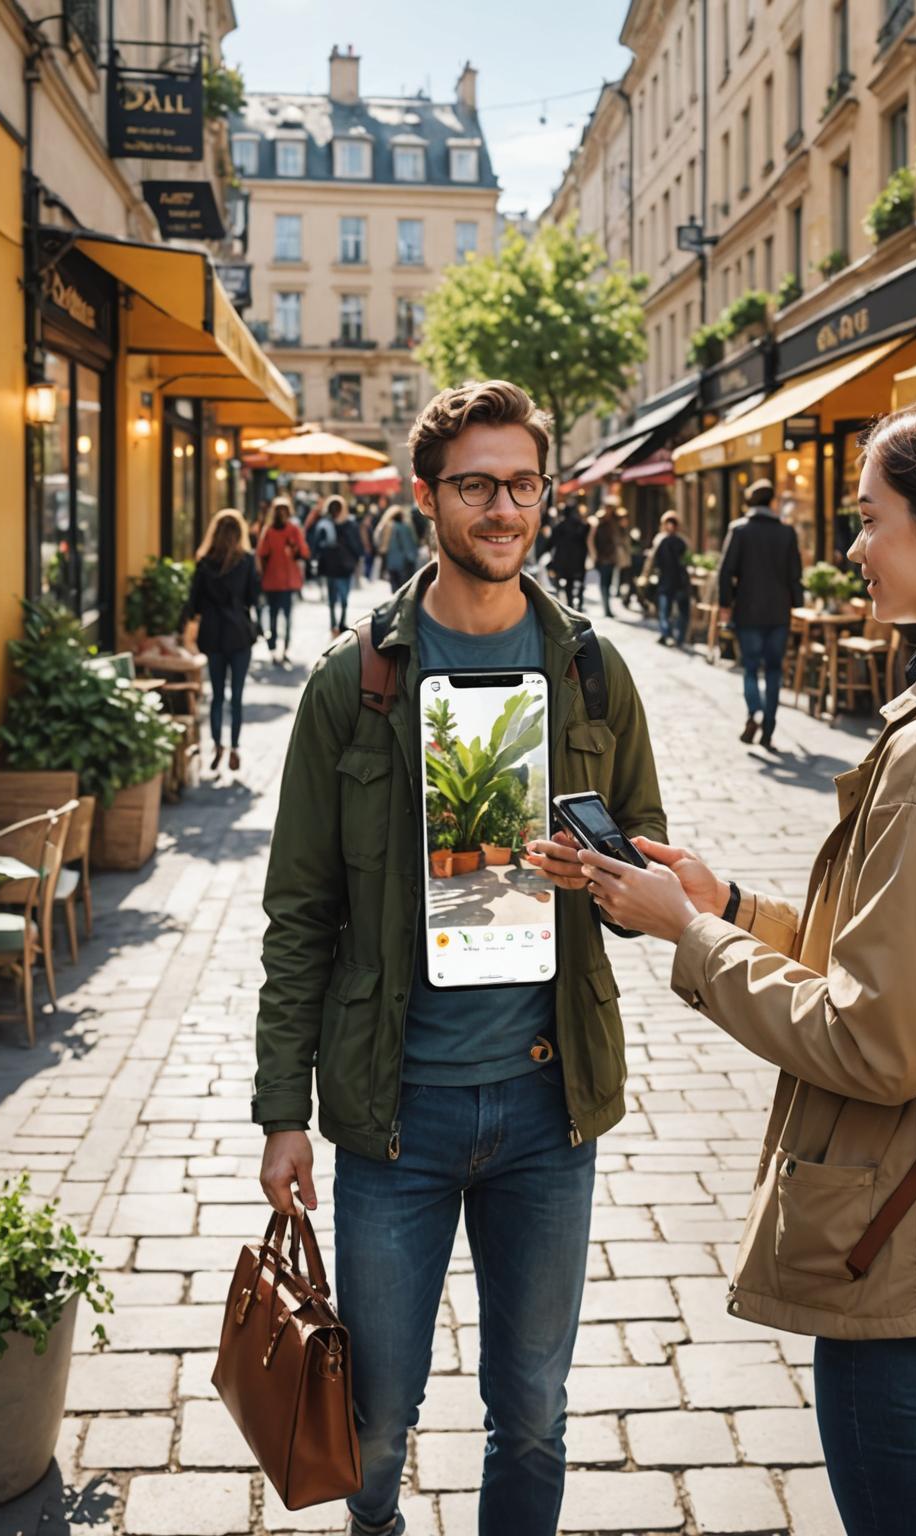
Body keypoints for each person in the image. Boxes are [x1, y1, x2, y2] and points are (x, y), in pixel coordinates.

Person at [576, 393, 916, 1536]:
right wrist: (729, 904)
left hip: (906, 1253)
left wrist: (691, 935)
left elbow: (881, 1040)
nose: (852, 548)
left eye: (870, 519)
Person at [256, 379, 666, 1536]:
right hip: (398, 1114)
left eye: (523, 484)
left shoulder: (591, 669)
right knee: (378, 1417)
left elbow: (648, 869)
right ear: (429, 498)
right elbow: (299, 915)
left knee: (533, 1407)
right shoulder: (354, 682)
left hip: (549, 1102)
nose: (504, 509)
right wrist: (284, 1111)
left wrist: (617, 884)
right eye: (477, 485)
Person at [718, 479, 803, 750]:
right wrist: (797, 603)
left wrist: (725, 603)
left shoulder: (739, 529)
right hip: (778, 612)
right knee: (775, 670)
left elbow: (725, 571)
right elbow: (795, 575)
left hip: (748, 611)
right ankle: (768, 726)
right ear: (771, 503)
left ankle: (753, 712)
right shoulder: (786, 533)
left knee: (751, 667)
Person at [180, 509, 259, 773]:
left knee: (216, 695)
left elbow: (193, 605)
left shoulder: (204, 564)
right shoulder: (246, 561)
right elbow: (252, 598)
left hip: (213, 635)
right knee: (237, 696)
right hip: (238, 634)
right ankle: (235, 746)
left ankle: (217, 744)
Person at [255, 497, 308, 665]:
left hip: (287, 582)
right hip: (273, 581)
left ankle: (284, 649)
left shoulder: (292, 530)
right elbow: (261, 554)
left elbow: (304, 552)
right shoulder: (269, 531)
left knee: (285, 617)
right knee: (274, 616)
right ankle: (273, 648)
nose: (281, 514)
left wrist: (294, 549)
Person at [313, 495, 366, 635]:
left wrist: (357, 557)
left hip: (344, 567)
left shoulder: (350, 524)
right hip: (332, 566)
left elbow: (356, 543)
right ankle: (334, 623)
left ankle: (341, 621)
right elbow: (317, 544)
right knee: (333, 598)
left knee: (343, 598)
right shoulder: (325, 524)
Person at [651, 511, 690, 646]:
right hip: (678, 581)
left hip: (669, 581)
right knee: (676, 611)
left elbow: (653, 561)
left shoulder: (661, 540)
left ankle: (668, 635)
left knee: (666, 611)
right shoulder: (682, 541)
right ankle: (673, 636)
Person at [546, 502, 590, 609]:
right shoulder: (582, 526)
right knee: (578, 582)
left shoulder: (559, 527)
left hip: (562, 560)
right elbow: (586, 543)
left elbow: (550, 543)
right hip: (578, 560)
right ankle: (578, 604)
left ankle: (566, 605)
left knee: (564, 584)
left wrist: (542, 554)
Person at [376, 503, 421, 591]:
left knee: (394, 589)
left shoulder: (383, 527)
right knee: (403, 588)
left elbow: (377, 541)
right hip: (403, 562)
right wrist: (413, 557)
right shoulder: (403, 527)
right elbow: (408, 544)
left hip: (390, 562)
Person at [591, 502, 623, 617]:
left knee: (608, 584)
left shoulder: (614, 521)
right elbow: (593, 540)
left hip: (611, 558)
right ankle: (606, 608)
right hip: (603, 558)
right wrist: (595, 556)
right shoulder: (600, 522)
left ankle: (607, 607)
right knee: (604, 584)